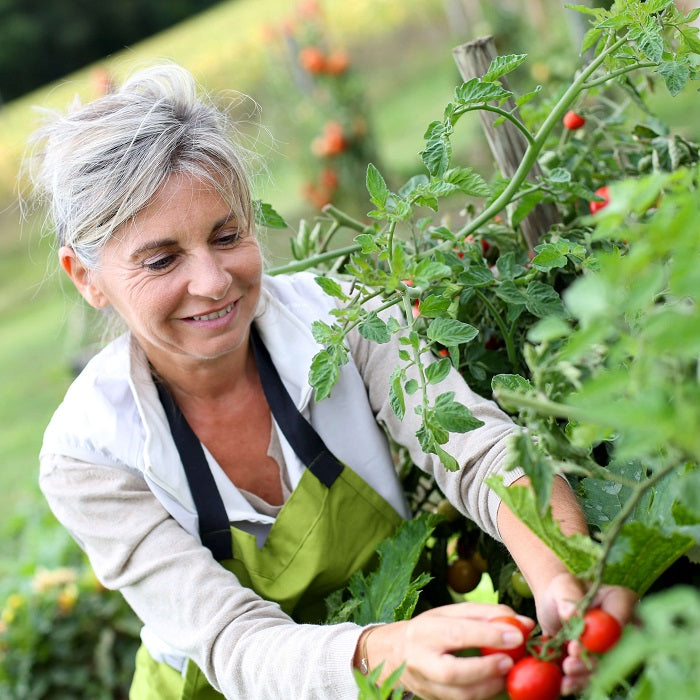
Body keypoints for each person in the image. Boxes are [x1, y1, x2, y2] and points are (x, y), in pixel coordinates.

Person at [27, 63, 635, 700]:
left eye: (227, 235)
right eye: (161, 259)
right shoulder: (88, 455)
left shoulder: (345, 319)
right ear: (87, 278)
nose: (211, 281)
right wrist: (385, 651)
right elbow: (232, 641)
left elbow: (481, 455)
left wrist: (563, 570)